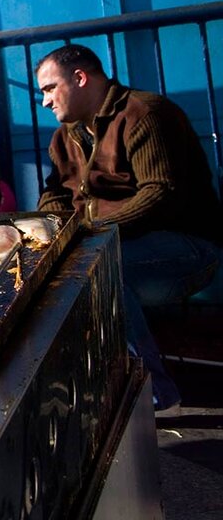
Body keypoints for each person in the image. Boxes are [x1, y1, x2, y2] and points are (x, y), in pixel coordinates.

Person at [36, 43, 221, 411]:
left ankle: (152, 393)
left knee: (98, 269)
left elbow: (161, 193)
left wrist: (89, 233)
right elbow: (54, 194)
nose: (45, 101)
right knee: (63, 272)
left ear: (80, 77)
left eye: (49, 88)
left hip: (188, 249)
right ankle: (91, 386)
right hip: (109, 245)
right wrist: (54, 229)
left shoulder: (146, 113)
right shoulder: (64, 137)